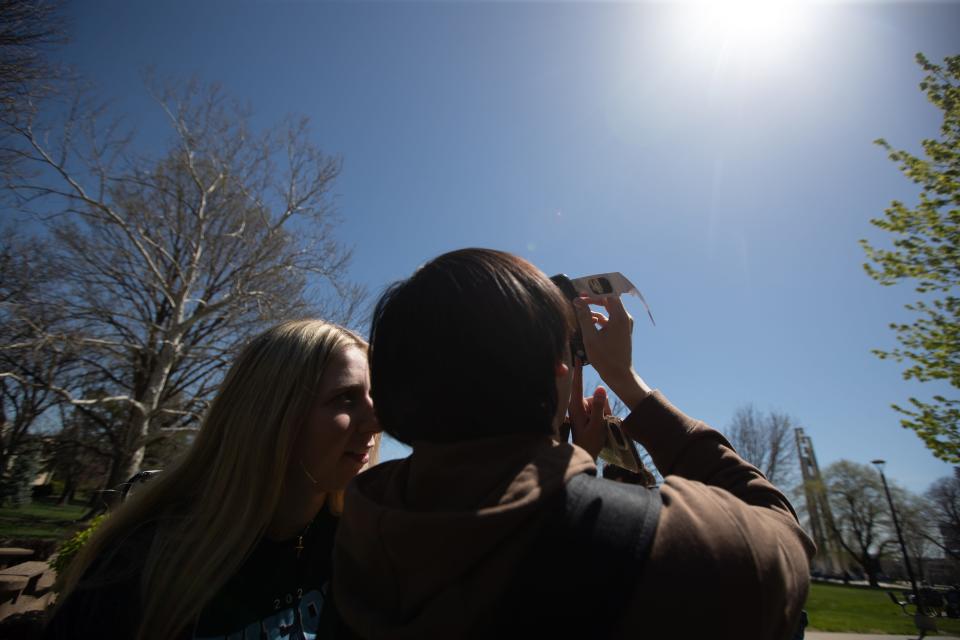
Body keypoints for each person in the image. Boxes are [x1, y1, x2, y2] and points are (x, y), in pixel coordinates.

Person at [332, 248, 815, 639]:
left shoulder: (356, 529)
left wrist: (570, 459)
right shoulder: (642, 544)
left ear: (391, 391)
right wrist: (629, 385)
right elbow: (782, 538)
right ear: (559, 371)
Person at [45, 320, 381, 640]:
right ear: (270, 414)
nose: (376, 423)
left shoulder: (355, 547)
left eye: (374, 398)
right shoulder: (142, 565)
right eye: (346, 398)